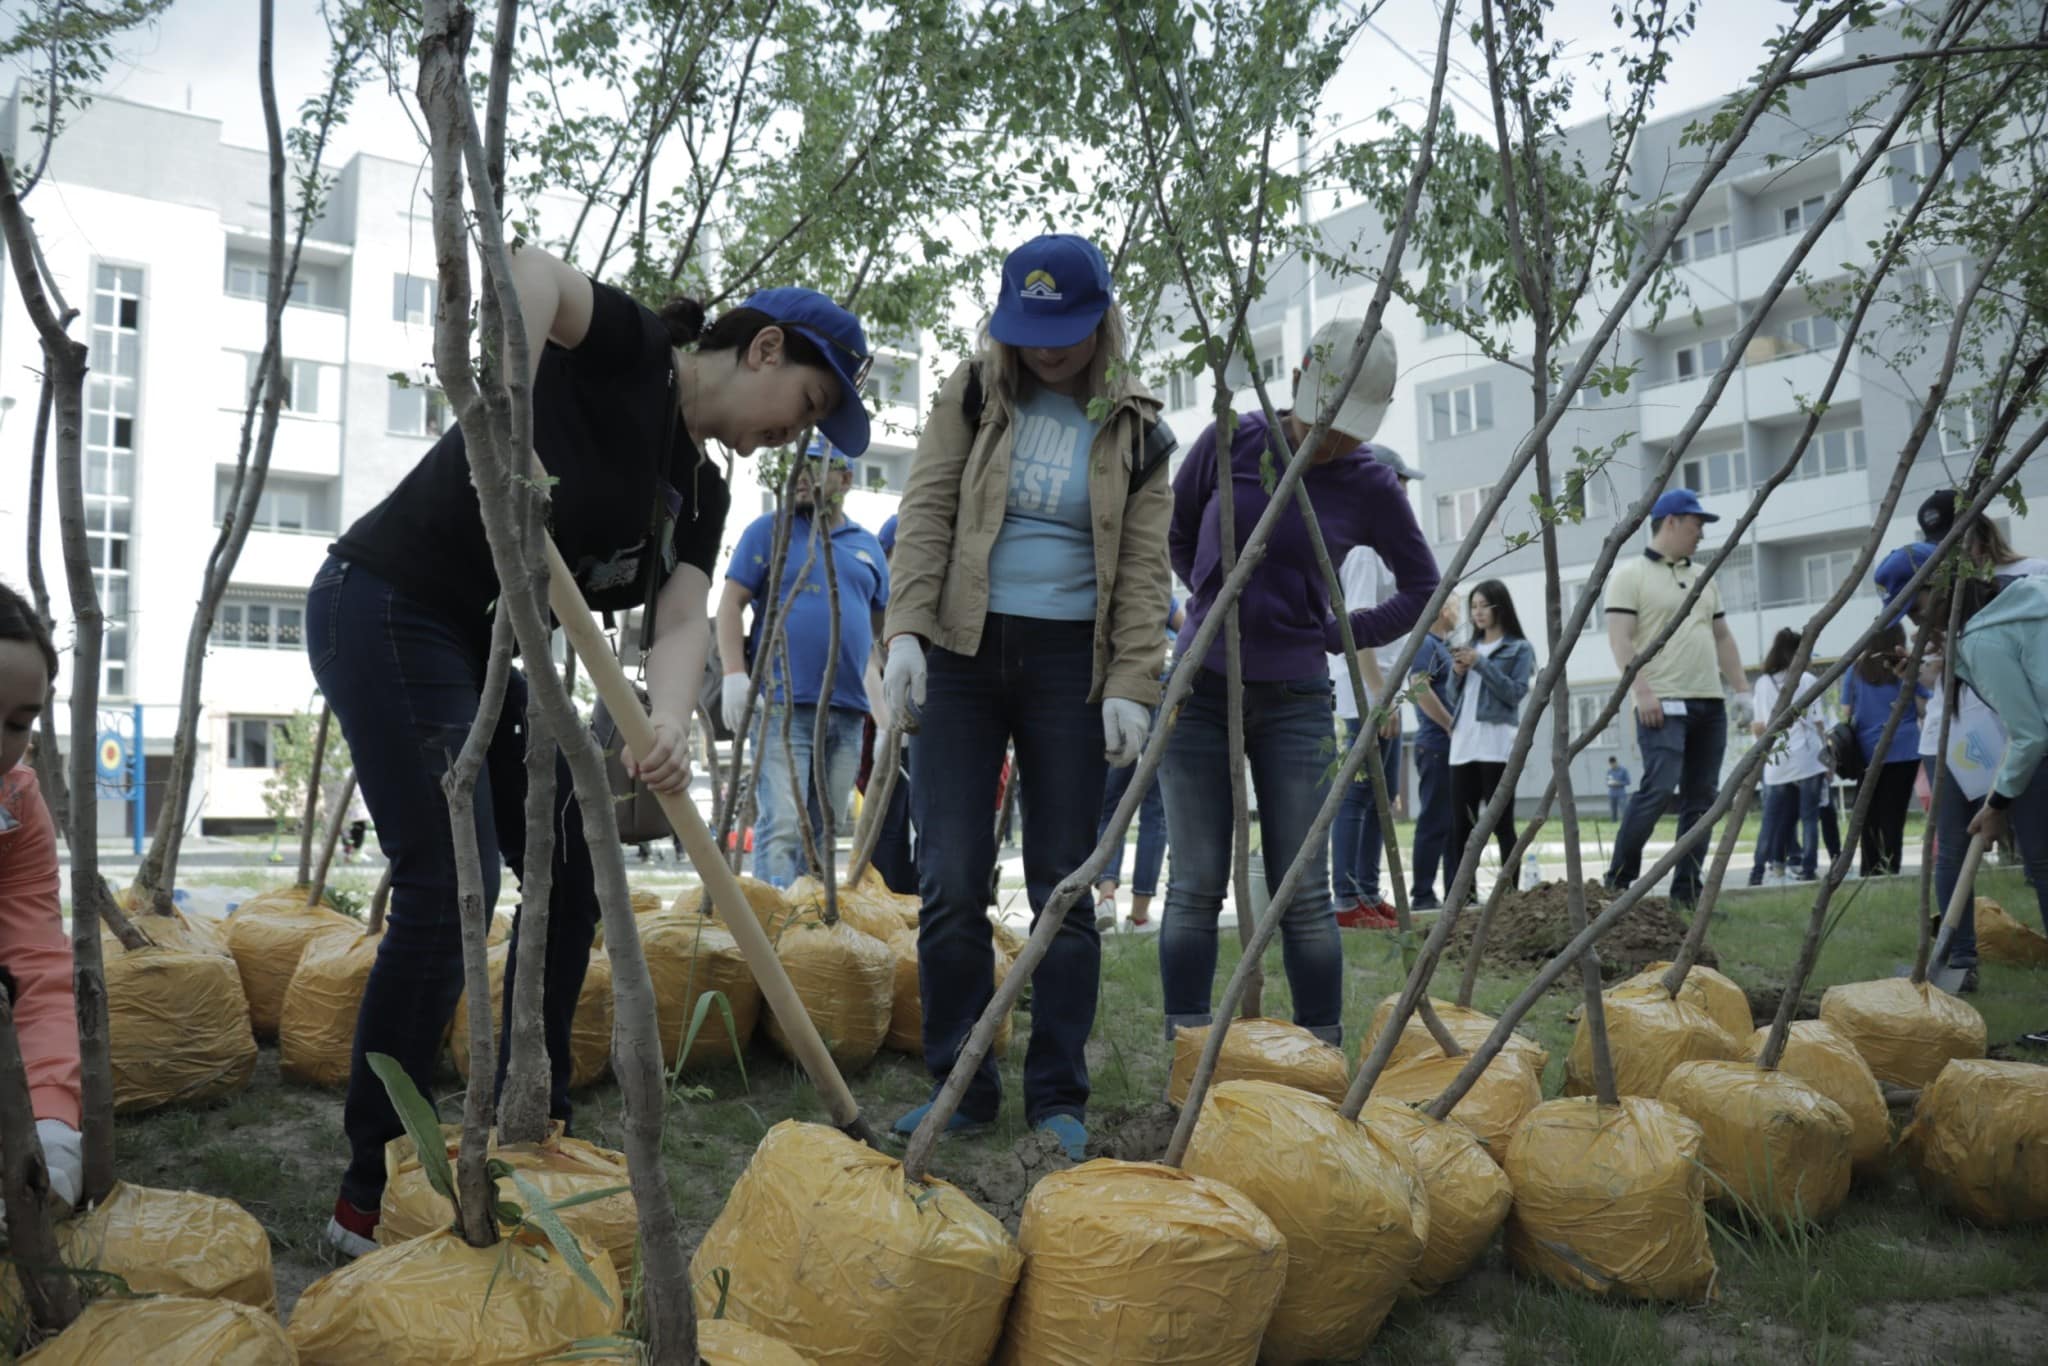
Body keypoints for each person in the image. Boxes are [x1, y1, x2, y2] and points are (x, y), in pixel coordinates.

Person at [310, 243, 874, 1255]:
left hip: (476, 646)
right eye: (809, 398)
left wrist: (665, 719)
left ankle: (533, 1118)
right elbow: (530, 270)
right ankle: (369, 1187)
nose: (800, 431)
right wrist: (510, 412)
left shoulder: (699, 491)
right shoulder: (634, 356)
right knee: (452, 880)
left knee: (576, 860)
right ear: (765, 348)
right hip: (386, 602)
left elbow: (682, 616)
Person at [881, 234, 1169, 1160]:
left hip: (1067, 667)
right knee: (952, 876)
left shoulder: (1138, 429)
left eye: (1068, 331)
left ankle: (1057, 1095)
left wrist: (1132, 680)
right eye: (1031, 330)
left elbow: (1144, 571)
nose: (1049, 349)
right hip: (963, 653)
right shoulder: (972, 395)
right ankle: (958, 1088)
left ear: (1101, 322)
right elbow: (925, 510)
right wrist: (905, 635)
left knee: (1064, 886)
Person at [1160, 318, 1437, 1048]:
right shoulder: (1232, 442)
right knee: (1192, 887)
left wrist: (1337, 635)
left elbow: (1423, 587)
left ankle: (1321, 1053)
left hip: (1296, 701)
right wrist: (1208, 599)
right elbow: (1178, 530)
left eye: (1350, 428)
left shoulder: (1369, 481)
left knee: (1305, 894)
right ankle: (1185, 1051)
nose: (1332, 440)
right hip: (1199, 688)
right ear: (1296, 387)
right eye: (1325, 419)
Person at [717, 447, 890, 887]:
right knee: (784, 827)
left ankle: (811, 930)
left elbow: (876, 638)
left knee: (825, 830)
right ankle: (774, 937)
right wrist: (735, 675)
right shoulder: (770, 532)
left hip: (849, 712)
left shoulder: (868, 547)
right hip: (782, 706)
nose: (799, 475)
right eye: (797, 464)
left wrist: (887, 712)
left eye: (815, 466)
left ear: (845, 480)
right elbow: (731, 604)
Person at [1602, 489, 1755, 908]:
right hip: (1661, 704)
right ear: (1670, 521)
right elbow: (1620, 639)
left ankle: (1686, 894)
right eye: (1696, 524)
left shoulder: (1704, 577)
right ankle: (1617, 885)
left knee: (1702, 799)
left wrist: (1742, 691)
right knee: (1658, 787)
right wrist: (1643, 691)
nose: (1701, 533)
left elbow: (1722, 637)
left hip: (1709, 703)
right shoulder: (1629, 574)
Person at [0, 582, 82, 1230]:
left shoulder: (17, 806)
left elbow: (35, 965)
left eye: (18, 724)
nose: (2, 747)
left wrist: (52, 1123)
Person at [1329, 445, 1430, 929]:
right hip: (1367, 697)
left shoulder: (1381, 546)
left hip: (1385, 693)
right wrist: (1378, 698)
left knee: (1376, 797)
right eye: (1402, 484)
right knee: (1358, 795)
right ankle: (1347, 902)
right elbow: (1358, 627)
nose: (1406, 494)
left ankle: (1367, 894)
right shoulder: (1365, 550)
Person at [1952, 575, 2048, 985]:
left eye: (1918, 611)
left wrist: (1995, 807)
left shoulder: (1982, 638)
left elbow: (2030, 734)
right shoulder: (2027, 607)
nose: (1918, 626)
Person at [1094, 599, 1185, 931]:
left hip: (1118, 692)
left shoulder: (1107, 587)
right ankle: (1139, 914)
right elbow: (1186, 626)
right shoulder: (1152, 587)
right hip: (1157, 690)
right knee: (1154, 811)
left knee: (1111, 806)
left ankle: (1105, 896)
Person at [1445, 580, 1533, 901]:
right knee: (1461, 827)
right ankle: (1462, 897)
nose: (1478, 613)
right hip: (1463, 744)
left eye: (1484, 606)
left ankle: (1509, 895)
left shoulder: (1519, 649)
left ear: (1500, 607)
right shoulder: (1468, 646)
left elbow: (1514, 693)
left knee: (1501, 823)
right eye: (1474, 606)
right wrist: (1456, 673)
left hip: (1496, 744)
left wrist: (1480, 664)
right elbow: (1453, 697)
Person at [855, 514, 917, 896]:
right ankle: (889, 901)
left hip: (931, 719)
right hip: (886, 723)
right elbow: (867, 659)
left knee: (926, 818)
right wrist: (884, 722)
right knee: (887, 822)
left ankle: (920, 903)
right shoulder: (877, 599)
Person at [1841, 623, 1928, 877]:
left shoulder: (1855, 671)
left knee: (1868, 813)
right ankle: (1892, 866)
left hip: (1868, 751)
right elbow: (1924, 706)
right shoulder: (1905, 671)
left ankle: (1870, 869)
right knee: (1894, 813)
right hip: (1905, 749)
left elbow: (1847, 711)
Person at [1745, 628, 1828, 886]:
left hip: (1777, 761)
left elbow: (1760, 726)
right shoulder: (1806, 680)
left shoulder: (1762, 683)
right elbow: (1818, 722)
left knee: (1771, 820)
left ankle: (1757, 871)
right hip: (1807, 756)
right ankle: (1808, 867)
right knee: (1809, 818)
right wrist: (1828, 755)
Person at [1407, 597, 1460, 909]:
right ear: (1442, 610)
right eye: (1456, 606)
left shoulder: (1445, 647)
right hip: (1437, 746)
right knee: (1434, 821)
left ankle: (1457, 892)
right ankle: (1423, 895)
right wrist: (1450, 723)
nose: (1459, 613)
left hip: (1452, 748)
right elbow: (1418, 687)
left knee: (1454, 823)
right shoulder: (1426, 644)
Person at [1605, 756, 1630, 822]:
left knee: (1623, 809)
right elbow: (1607, 781)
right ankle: (1614, 822)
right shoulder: (1609, 771)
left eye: (1613, 763)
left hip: (1621, 793)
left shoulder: (1623, 770)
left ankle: (1625, 822)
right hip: (1612, 793)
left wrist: (1618, 783)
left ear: (1616, 762)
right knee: (1613, 810)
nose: (1612, 765)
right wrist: (1609, 783)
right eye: (1611, 764)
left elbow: (1628, 782)